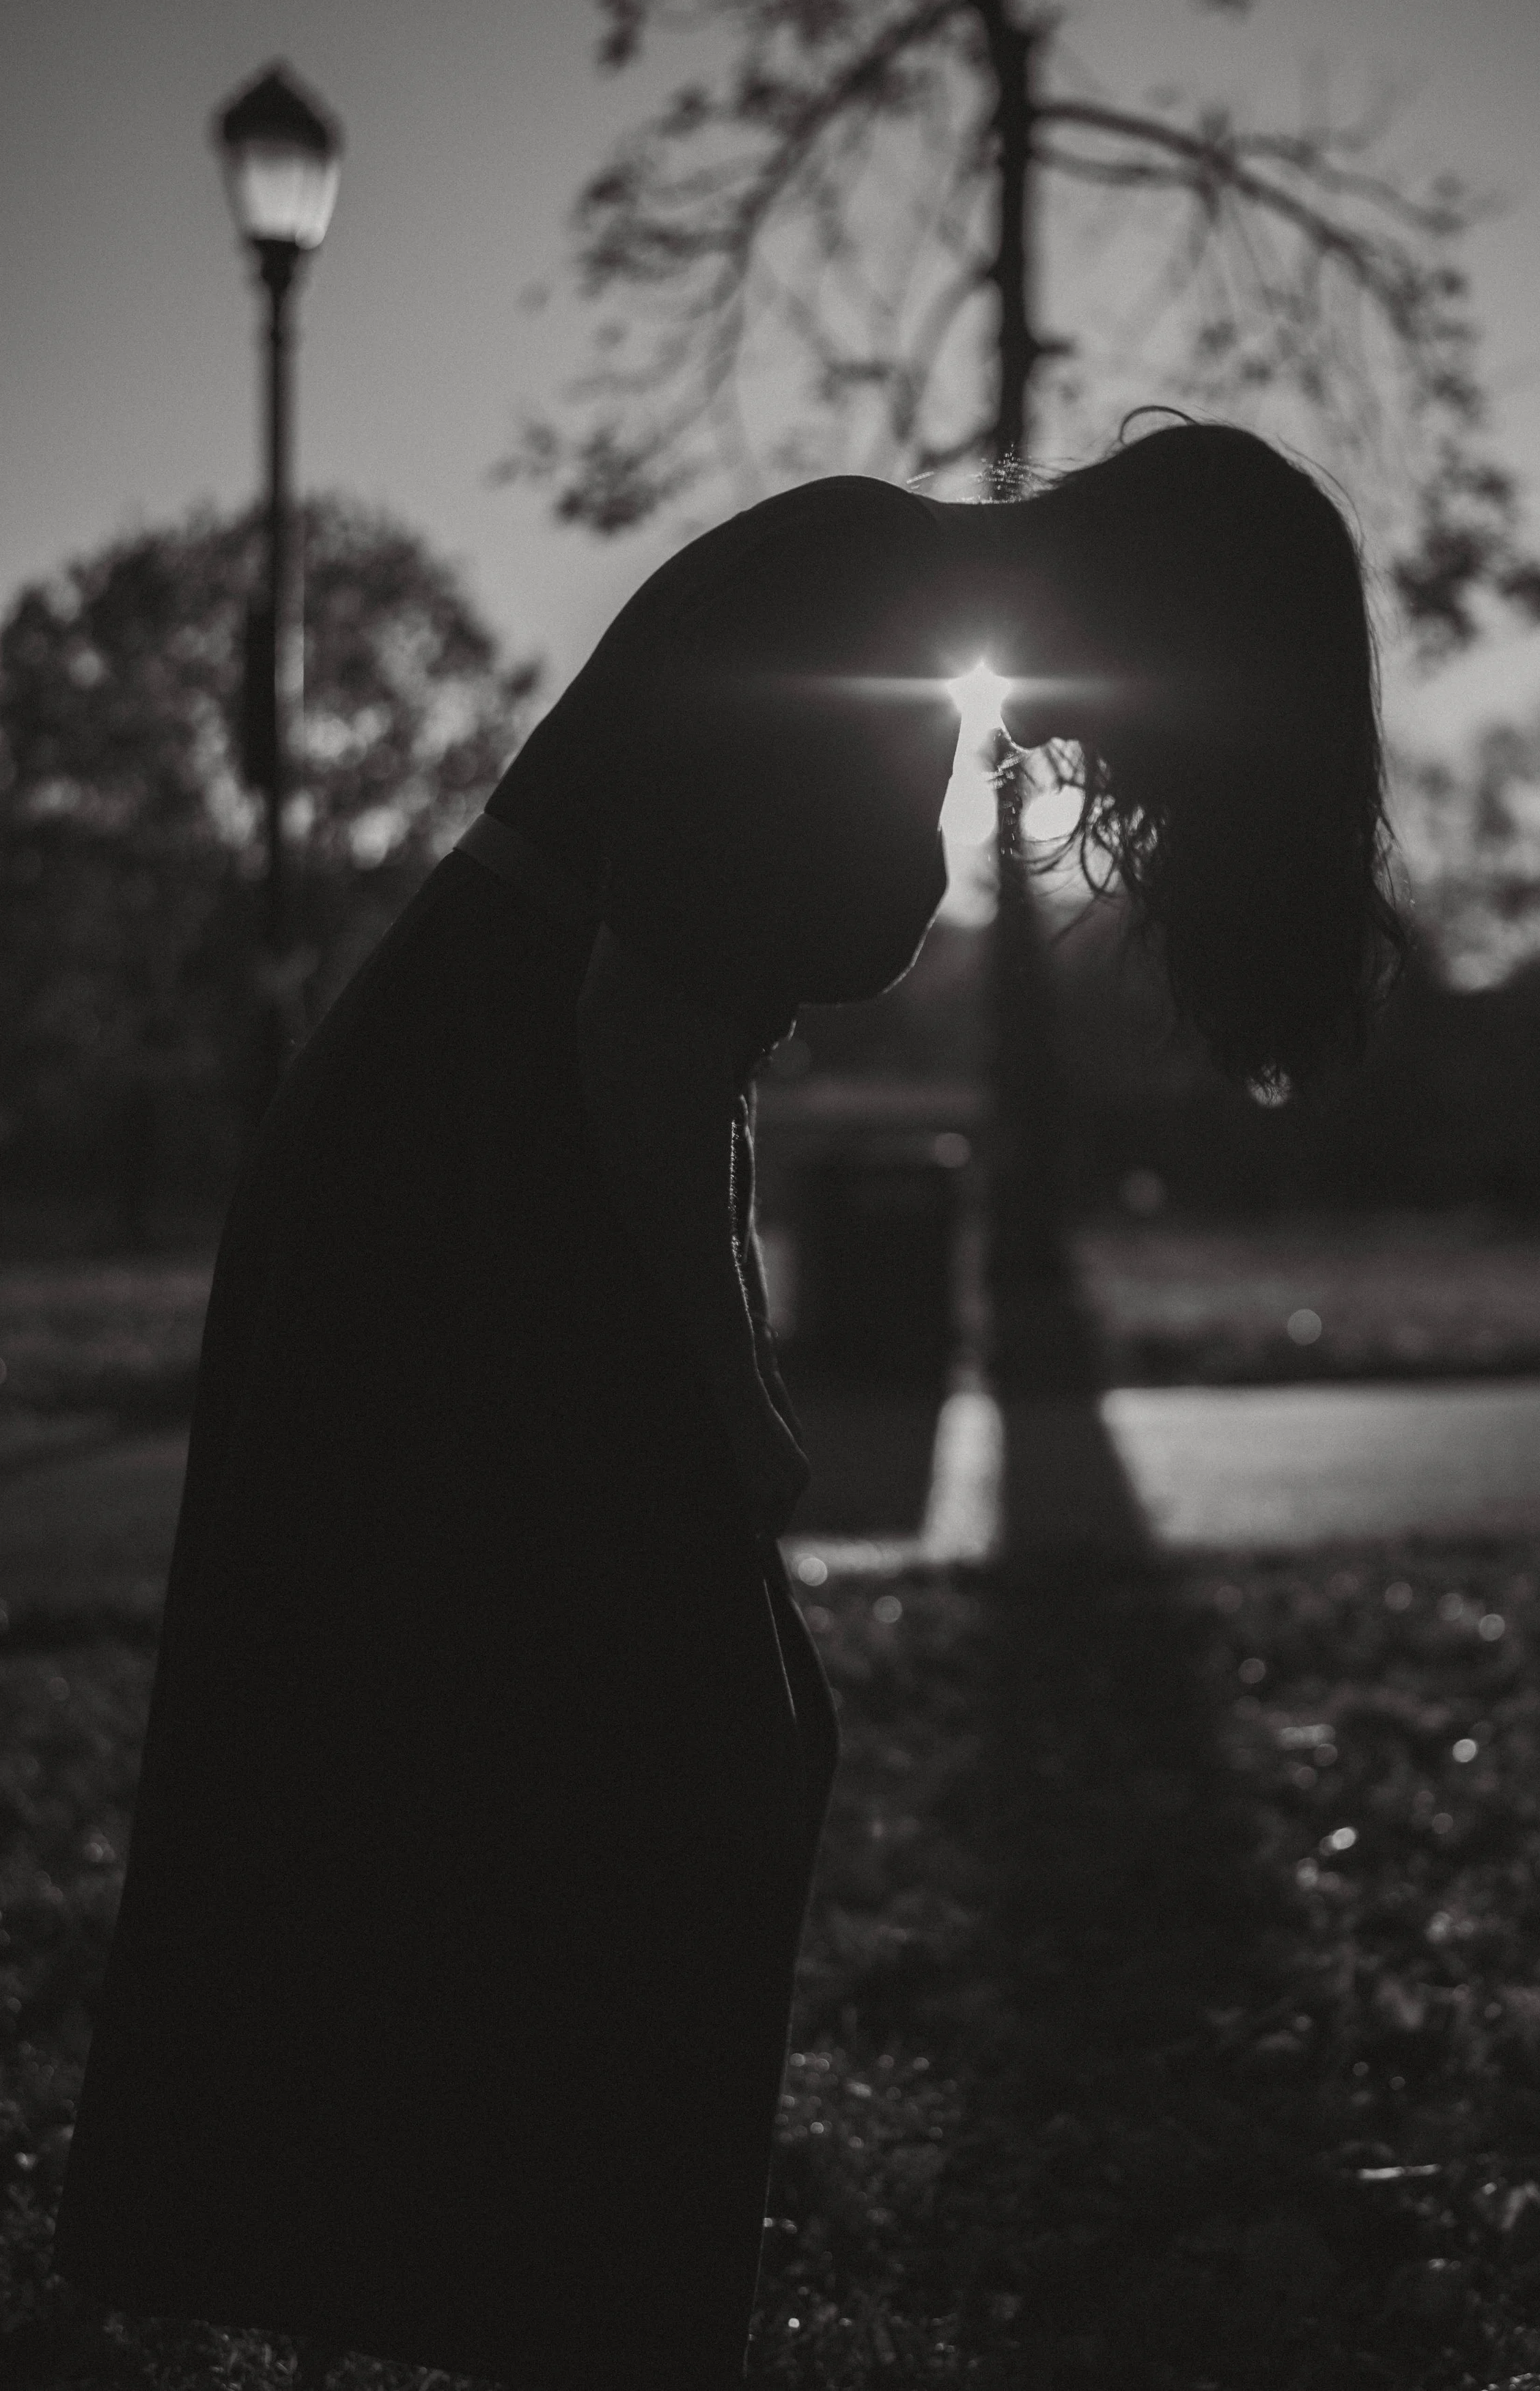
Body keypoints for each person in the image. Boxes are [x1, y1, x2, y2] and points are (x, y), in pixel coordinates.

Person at [54, 419, 1402, 2389]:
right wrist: (723, 1400)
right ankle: (554, 2297)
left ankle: (507, 2283)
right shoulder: (854, 609)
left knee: (617, 1748)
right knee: (680, 1752)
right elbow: (638, 1056)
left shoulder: (883, 604)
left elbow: (681, 1050)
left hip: (469, 1145)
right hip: (462, 1182)